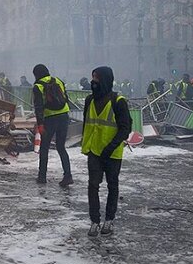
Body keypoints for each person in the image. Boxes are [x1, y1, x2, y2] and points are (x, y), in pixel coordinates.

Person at [82, 66, 131, 237]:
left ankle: (109, 220)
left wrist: (110, 147)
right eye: (92, 77)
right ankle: (94, 221)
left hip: (112, 153)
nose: (93, 81)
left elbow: (126, 128)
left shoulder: (118, 101)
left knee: (112, 186)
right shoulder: (89, 100)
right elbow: (86, 123)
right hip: (94, 151)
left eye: (96, 78)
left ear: (105, 80)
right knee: (93, 185)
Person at [32, 64, 72, 187]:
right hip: (64, 116)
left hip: (50, 119)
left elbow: (38, 107)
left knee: (44, 148)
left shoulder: (38, 86)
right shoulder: (58, 80)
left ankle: (42, 176)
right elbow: (66, 97)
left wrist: (40, 124)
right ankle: (68, 176)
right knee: (61, 147)